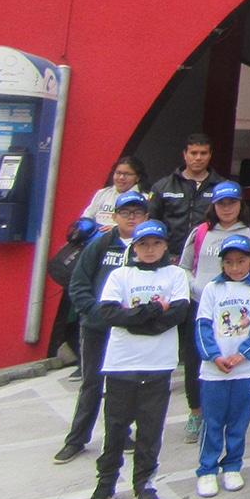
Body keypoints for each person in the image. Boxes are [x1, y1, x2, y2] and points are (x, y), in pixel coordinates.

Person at [81, 220, 191, 499]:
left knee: (150, 428)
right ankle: (104, 486)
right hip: (121, 363)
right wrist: (155, 310)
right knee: (115, 427)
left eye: (156, 243)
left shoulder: (176, 274)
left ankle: (144, 483)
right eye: (143, 244)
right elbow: (110, 313)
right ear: (135, 248)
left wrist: (136, 318)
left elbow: (179, 312)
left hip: (158, 364)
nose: (150, 249)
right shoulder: (120, 275)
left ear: (166, 245)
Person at [55, 191, 150, 465]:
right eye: (126, 213)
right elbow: (79, 284)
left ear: (145, 217)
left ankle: (121, 434)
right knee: (91, 384)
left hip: (129, 331)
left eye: (137, 213)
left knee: (124, 386)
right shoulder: (99, 245)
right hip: (97, 328)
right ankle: (76, 439)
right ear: (115, 216)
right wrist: (96, 313)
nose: (131, 218)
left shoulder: (149, 247)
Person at [178, 181, 250, 443]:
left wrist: (249, 293)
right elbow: (183, 267)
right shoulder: (200, 233)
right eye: (221, 204)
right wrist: (195, 288)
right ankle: (197, 412)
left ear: (241, 204)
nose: (227, 208)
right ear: (213, 206)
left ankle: (229, 415)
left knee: (233, 355)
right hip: (203, 304)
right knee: (197, 359)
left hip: (239, 307)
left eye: (232, 203)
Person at [193, 234, 250, 498]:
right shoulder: (212, 289)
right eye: (229, 262)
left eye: (241, 261)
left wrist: (242, 355)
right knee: (213, 421)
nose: (235, 267)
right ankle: (206, 470)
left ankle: (233, 465)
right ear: (222, 264)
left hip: (245, 369)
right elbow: (202, 326)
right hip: (214, 371)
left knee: (239, 421)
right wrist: (214, 357)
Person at [150, 133, 227, 257]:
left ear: (210, 155)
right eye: (193, 153)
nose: (198, 158)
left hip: (208, 255)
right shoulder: (163, 186)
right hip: (169, 254)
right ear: (185, 154)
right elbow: (152, 221)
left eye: (203, 153)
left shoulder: (223, 187)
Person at [81, 156, 149, 227]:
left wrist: (115, 230)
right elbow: (86, 217)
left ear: (137, 178)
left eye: (127, 174)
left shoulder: (144, 198)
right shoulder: (102, 193)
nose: (121, 177)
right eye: (118, 173)